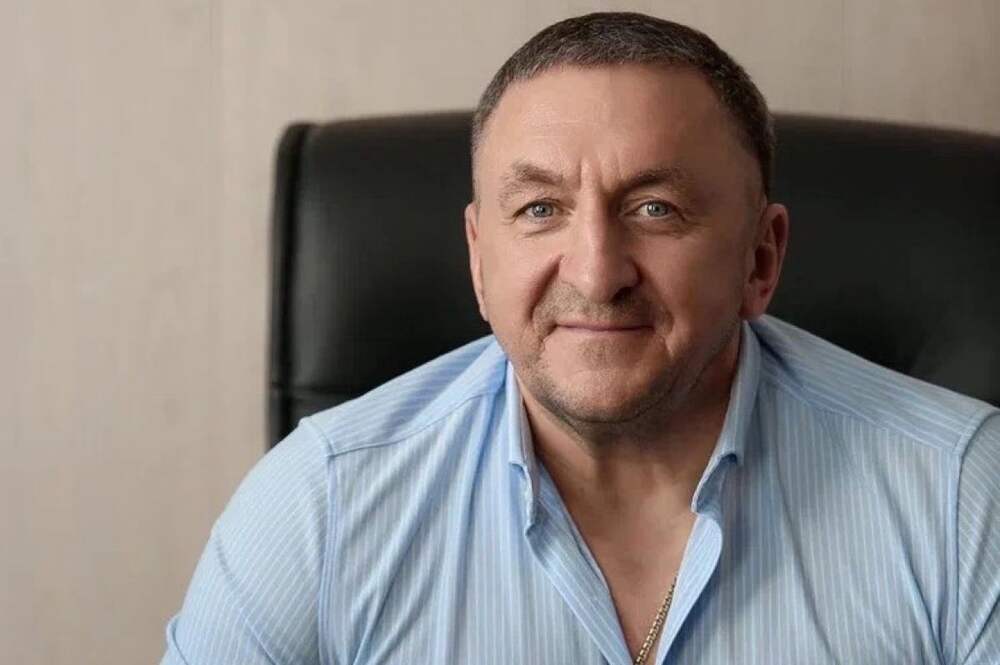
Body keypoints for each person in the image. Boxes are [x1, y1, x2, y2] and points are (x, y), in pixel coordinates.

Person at [162, 12, 1000, 665]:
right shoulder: (321, 503)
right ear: (479, 260)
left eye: (656, 208)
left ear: (760, 258)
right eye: (540, 209)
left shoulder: (960, 494)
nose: (597, 273)